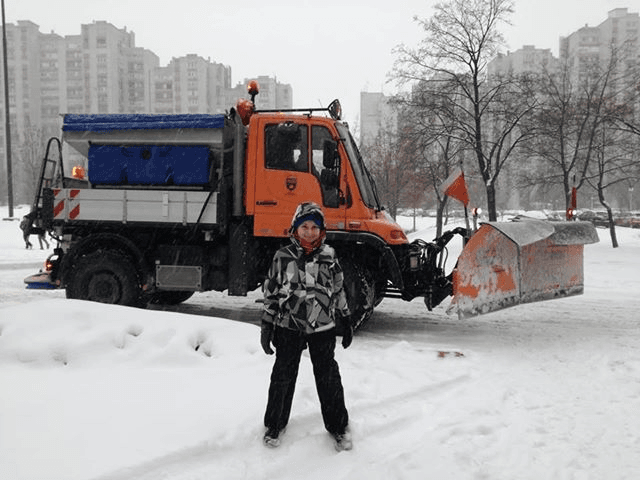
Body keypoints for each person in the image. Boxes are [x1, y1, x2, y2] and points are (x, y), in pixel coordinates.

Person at [260, 201, 354, 451]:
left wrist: (345, 317)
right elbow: (271, 292)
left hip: (322, 327)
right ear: (295, 228)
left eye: (314, 227)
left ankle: (338, 426)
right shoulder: (283, 256)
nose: (309, 232)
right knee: (283, 375)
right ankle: (275, 424)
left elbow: (338, 288)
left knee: (328, 376)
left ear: (321, 230)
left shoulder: (329, 256)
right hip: (288, 325)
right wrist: (267, 324)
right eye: (304, 226)